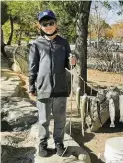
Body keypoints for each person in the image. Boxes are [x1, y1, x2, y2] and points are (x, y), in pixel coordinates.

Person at [29, 10, 76, 157]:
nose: (48, 26)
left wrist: (73, 62)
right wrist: (31, 86)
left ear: (56, 24)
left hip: (61, 88)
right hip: (43, 87)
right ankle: (42, 143)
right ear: (40, 26)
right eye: (45, 23)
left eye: (51, 23)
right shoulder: (36, 44)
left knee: (60, 118)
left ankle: (58, 143)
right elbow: (33, 67)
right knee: (43, 119)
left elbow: (69, 66)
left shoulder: (64, 42)